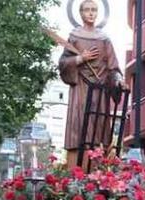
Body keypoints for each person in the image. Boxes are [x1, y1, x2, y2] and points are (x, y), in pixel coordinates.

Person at [58, 0, 123, 164]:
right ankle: (77, 169)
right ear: (80, 13)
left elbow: (113, 68)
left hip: (99, 91)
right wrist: (81, 58)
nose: (91, 13)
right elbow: (63, 63)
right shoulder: (74, 37)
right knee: (78, 127)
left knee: (98, 131)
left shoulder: (104, 39)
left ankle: (98, 170)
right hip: (80, 89)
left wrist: (118, 81)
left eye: (94, 10)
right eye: (87, 10)